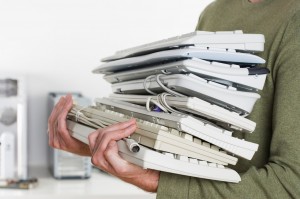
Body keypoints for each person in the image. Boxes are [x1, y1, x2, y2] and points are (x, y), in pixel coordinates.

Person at [48, 0, 300, 198]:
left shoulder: (294, 18)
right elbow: (198, 143)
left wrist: (153, 180)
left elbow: (291, 185)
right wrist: (101, 146)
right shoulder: (216, 11)